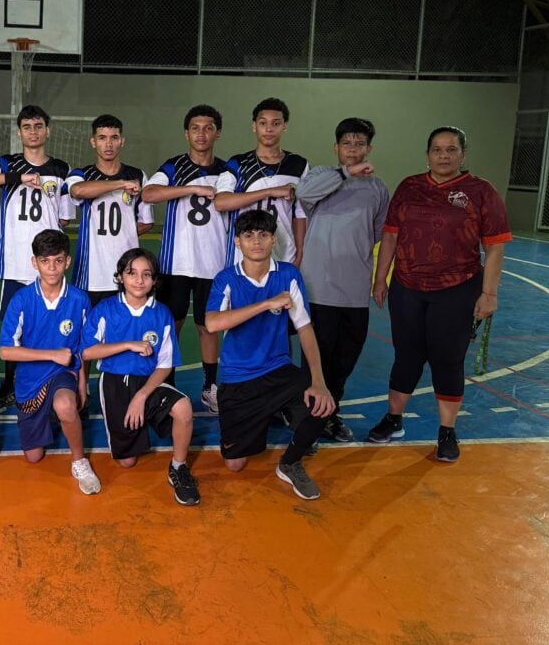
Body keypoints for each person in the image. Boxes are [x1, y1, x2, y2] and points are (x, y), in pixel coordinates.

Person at [368, 126, 511, 462]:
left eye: (451, 149)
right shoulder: (409, 187)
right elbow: (390, 236)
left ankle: (447, 431)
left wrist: (489, 293)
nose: (443, 156)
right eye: (437, 149)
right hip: (407, 287)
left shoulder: (480, 192)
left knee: (447, 359)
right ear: (427, 154)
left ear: (463, 154)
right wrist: (380, 278)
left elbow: (494, 247)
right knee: (406, 356)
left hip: (457, 289)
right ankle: (393, 419)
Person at [205, 210, 335, 501]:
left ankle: (289, 463)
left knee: (323, 404)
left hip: (277, 370)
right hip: (238, 377)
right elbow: (212, 323)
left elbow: (305, 329)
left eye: (263, 235)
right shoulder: (226, 278)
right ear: (237, 242)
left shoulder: (288, 275)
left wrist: (318, 381)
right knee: (235, 464)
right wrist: (266, 304)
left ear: (273, 239)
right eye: (248, 235)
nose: (256, 241)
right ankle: (266, 416)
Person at [0, 105, 72, 409]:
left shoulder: (61, 169)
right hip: (16, 262)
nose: (33, 131)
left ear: (47, 130)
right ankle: (10, 384)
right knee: (13, 326)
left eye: (38, 126)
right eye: (27, 126)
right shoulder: (7, 163)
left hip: (49, 264)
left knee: (50, 323)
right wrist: (18, 177)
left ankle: (50, 380)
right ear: (19, 132)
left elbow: (65, 217)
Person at [296, 118, 389, 443]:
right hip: (319, 288)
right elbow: (303, 194)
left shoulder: (378, 188)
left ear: (369, 148)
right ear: (336, 147)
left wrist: (376, 278)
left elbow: (377, 232)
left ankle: (328, 413)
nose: (353, 149)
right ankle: (307, 422)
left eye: (359, 144)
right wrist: (347, 173)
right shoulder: (322, 176)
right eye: (347, 143)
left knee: (345, 359)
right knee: (315, 360)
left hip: (355, 291)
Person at [81, 248, 199, 506]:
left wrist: (142, 396)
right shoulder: (106, 309)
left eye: (146, 274)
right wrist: (128, 344)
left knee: (183, 408)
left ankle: (178, 467)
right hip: (115, 382)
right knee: (127, 461)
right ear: (120, 277)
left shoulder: (162, 313)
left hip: (149, 382)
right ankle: (138, 424)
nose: (139, 280)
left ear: (154, 280)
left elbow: (165, 365)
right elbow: (87, 352)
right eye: (131, 273)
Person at [0, 229, 100, 495]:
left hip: (62, 374)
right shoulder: (21, 300)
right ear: (35, 262)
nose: (52, 267)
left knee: (66, 405)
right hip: (30, 381)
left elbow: (83, 348)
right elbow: (6, 351)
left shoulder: (79, 300)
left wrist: (82, 384)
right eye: (45, 261)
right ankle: (51, 416)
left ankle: (79, 461)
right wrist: (52, 354)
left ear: (67, 261)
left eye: (58, 260)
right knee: (34, 457)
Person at [142, 105, 229, 415]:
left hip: (214, 263)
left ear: (217, 133)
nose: (201, 134)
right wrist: (191, 187)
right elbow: (149, 194)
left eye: (208, 128)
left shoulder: (227, 171)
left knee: (208, 327)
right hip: (175, 263)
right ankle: (168, 384)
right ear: (186, 133)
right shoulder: (173, 166)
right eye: (195, 128)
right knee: (172, 324)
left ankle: (210, 386)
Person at [66, 114, 154, 306]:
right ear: (93, 142)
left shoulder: (138, 175)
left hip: (127, 269)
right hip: (91, 272)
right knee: (89, 323)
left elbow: (146, 222)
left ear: (122, 141)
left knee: (125, 321)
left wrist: (123, 234)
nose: (108, 144)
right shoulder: (82, 174)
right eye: (102, 138)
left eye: (114, 138)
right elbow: (78, 190)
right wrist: (121, 184)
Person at [215, 97, 309, 268]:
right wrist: (270, 191)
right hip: (242, 257)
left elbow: (300, 213)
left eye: (276, 123)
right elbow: (221, 203)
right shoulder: (238, 163)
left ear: (285, 126)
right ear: (254, 126)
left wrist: (300, 251)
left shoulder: (299, 164)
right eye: (263, 123)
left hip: (285, 254)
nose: (269, 129)